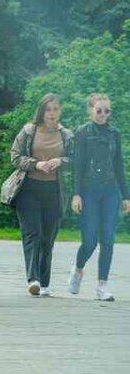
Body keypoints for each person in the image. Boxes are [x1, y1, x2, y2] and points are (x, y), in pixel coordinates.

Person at [9, 93, 73, 296]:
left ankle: (44, 283)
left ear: (60, 111)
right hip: (28, 188)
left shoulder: (67, 135)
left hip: (54, 190)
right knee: (32, 234)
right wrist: (37, 164)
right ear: (42, 111)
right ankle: (33, 279)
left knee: (48, 238)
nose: (52, 113)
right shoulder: (29, 131)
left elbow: (76, 159)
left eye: (55, 109)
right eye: (48, 109)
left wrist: (61, 161)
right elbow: (15, 156)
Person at [69, 93, 128, 301]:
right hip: (89, 191)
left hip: (110, 191)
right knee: (90, 241)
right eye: (99, 110)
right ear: (91, 111)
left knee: (108, 240)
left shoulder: (115, 134)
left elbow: (119, 165)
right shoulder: (83, 133)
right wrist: (76, 194)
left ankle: (102, 286)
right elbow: (78, 166)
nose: (103, 114)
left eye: (107, 111)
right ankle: (78, 269)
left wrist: (125, 195)